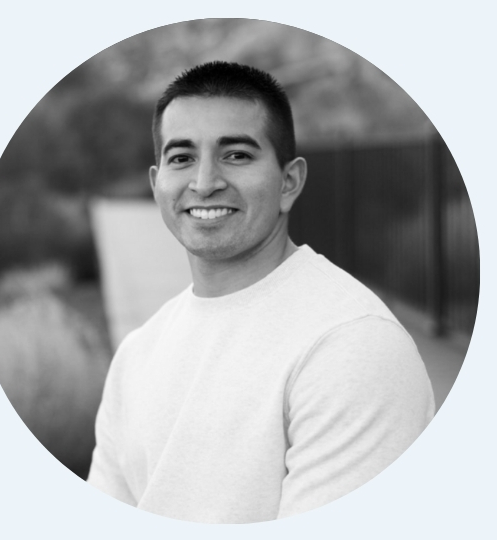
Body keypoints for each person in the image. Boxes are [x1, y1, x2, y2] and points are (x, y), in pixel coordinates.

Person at [87, 61, 435, 524]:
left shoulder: (352, 345)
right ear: (156, 184)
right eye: (182, 157)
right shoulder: (137, 353)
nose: (204, 183)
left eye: (236, 155)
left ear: (289, 182)